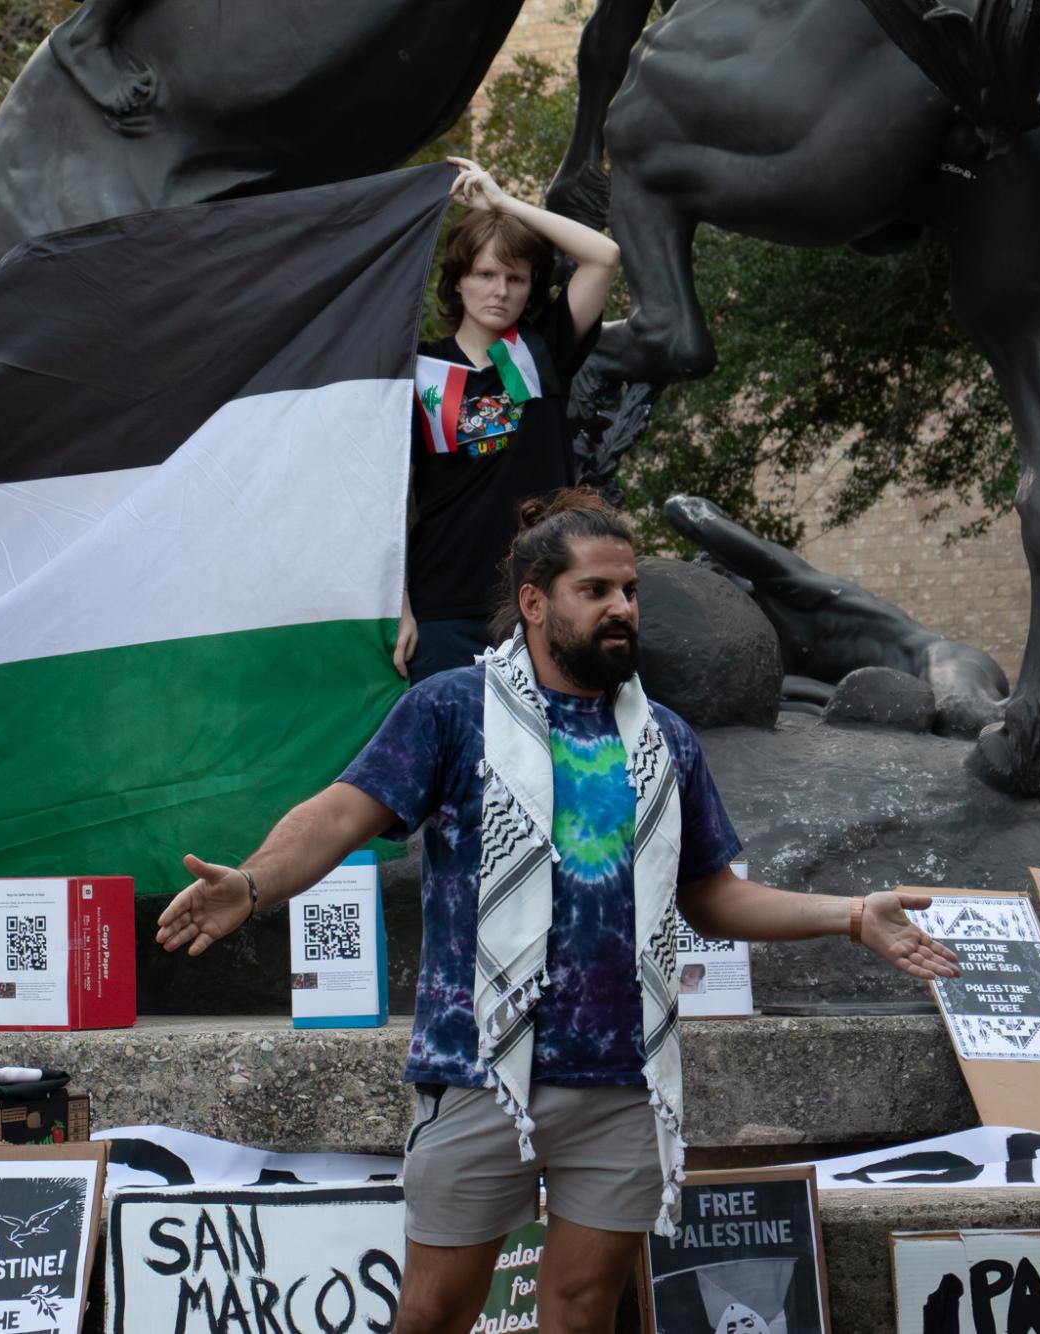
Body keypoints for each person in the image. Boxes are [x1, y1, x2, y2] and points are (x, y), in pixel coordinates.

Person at [157, 488, 959, 1334]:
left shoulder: (665, 740)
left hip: (623, 1076)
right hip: (478, 1068)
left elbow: (712, 897)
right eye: (596, 591)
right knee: (435, 1309)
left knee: (580, 1311)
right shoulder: (450, 708)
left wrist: (850, 914)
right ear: (535, 603)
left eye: (630, 592)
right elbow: (342, 812)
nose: (621, 609)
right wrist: (252, 885)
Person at [395, 158, 620, 684]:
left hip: (544, 599)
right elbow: (384, 494)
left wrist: (501, 202)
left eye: (515, 278)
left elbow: (604, 256)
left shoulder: (541, 351)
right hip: (442, 607)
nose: (500, 290)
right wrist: (398, 604)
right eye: (485, 275)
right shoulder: (417, 370)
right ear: (457, 284)